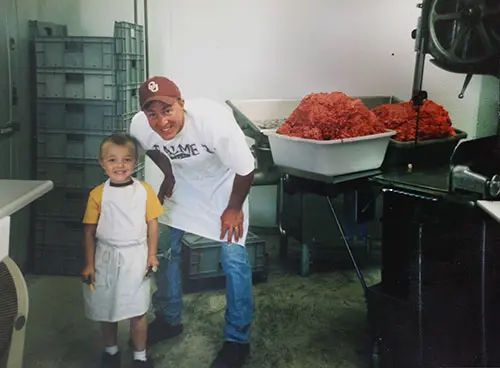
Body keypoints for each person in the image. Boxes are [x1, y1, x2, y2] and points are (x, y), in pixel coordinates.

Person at [129, 76, 256, 368]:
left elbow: (245, 169)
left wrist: (234, 207)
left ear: (182, 104)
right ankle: (169, 318)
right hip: (185, 186)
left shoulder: (213, 121)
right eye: (152, 113)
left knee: (233, 257)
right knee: (162, 247)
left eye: (167, 110)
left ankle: (237, 339)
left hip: (225, 188)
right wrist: (170, 174)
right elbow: (151, 149)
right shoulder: (139, 125)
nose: (161, 122)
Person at [81, 133, 164, 368]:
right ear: (102, 163)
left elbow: (152, 224)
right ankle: (111, 352)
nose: (120, 166)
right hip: (105, 257)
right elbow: (89, 231)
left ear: (136, 162)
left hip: (136, 256)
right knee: (106, 307)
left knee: (137, 309)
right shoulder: (97, 194)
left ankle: (140, 356)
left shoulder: (144, 191)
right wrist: (89, 264)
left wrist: (151, 254)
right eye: (112, 160)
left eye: (126, 160)